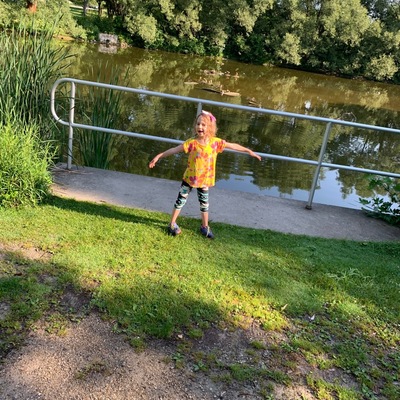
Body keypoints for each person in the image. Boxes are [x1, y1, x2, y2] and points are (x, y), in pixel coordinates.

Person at [149, 110, 261, 238]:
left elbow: (233, 146)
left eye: (203, 124)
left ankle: (205, 226)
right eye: (198, 124)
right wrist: (158, 156)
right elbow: (175, 150)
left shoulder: (215, 143)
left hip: (204, 181)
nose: (200, 127)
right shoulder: (192, 142)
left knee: (204, 204)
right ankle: (172, 224)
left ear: (210, 127)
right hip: (190, 179)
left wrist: (248, 151)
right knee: (180, 201)